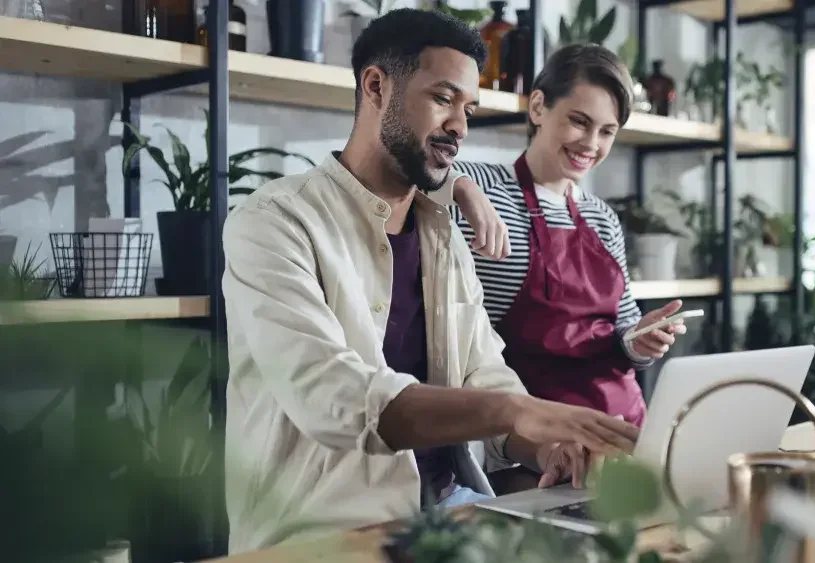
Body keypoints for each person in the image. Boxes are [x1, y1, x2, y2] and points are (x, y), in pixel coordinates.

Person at [220, 9, 639, 554]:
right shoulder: (274, 222)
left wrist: (544, 447)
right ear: (376, 86)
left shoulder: (442, 235)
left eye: (468, 109)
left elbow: (484, 374)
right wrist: (520, 411)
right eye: (443, 99)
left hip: (449, 519)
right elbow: (334, 398)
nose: (461, 127)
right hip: (321, 538)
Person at [446, 44, 688, 427]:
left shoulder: (602, 217)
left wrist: (641, 340)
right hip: (531, 431)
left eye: (607, 131)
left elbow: (622, 334)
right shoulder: (482, 186)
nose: (591, 144)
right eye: (579, 121)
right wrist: (459, 186)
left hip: (623, 423)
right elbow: (403, 174)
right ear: (538, 107)